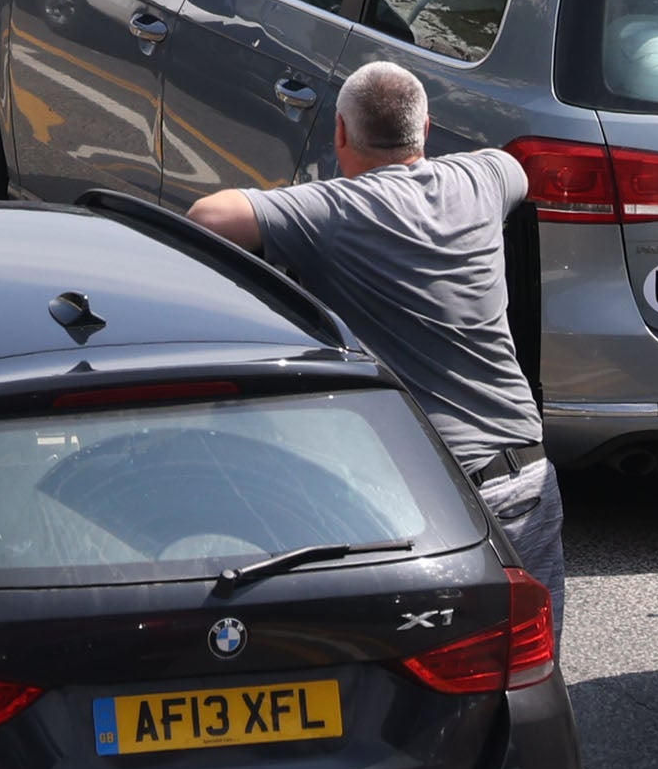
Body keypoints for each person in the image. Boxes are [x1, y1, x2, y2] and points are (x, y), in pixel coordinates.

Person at [187, 60, 561, 593]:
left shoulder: (331, 212)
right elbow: (515, 170)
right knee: (529, 663)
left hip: (418, 498)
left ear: (339, 133)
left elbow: (208, 218)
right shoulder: (482, 179)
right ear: (425, 129)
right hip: (522, 480)